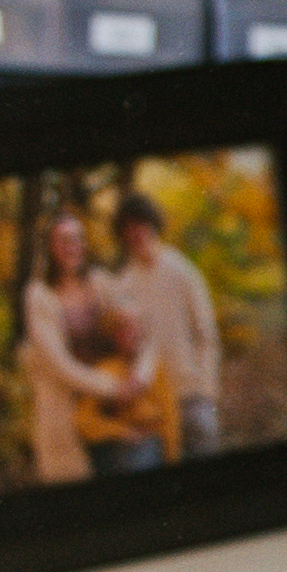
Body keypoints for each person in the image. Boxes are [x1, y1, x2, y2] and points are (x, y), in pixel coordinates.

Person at [103, 182, 224, 457]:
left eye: (140, 224)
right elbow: (135, 346)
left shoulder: (181, 270)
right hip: (154, 401)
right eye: (128, 229)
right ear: (122, 236)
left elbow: (207, 334)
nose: (135, 234)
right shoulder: (124, 285)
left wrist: (207, 389)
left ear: (153, 224)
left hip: (193, 397)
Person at [13, 202, 130, 480]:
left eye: (78, 238)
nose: (73, 246)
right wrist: (114, 387)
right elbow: (59, 365)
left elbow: (139, 323)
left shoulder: (101, 282)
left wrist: (138, 375)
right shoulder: (38, 295)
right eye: (64, 240)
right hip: (66, 415)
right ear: (50, 248)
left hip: (111, 412)